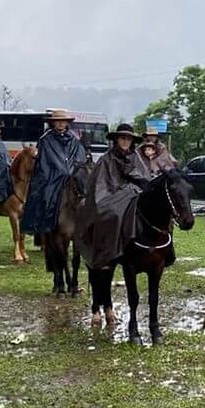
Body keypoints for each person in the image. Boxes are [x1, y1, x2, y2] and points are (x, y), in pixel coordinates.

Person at [78, 122, 154, 324]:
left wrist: (141, 187)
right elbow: (101, 188)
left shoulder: (136, 157)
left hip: (132, 196)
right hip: (110, 199)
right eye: (122, 138)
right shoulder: (105, 160)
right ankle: (104, 252)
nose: (125, 142)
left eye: (128, 139)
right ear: (115, 140)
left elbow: (143, 178)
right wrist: (123, 192)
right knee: (109, 213)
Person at [19, 108, 87, 237]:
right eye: (58, 121)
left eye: (63, 121)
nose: (61, 124)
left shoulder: (74, 139)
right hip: (51, 175)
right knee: (45, 194)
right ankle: (44, 225)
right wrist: (59, 172)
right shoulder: (46, 139)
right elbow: (43, 161)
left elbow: (79, 158)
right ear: (53, 123)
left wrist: (72, 171)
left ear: (67, 123)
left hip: (72, 175)